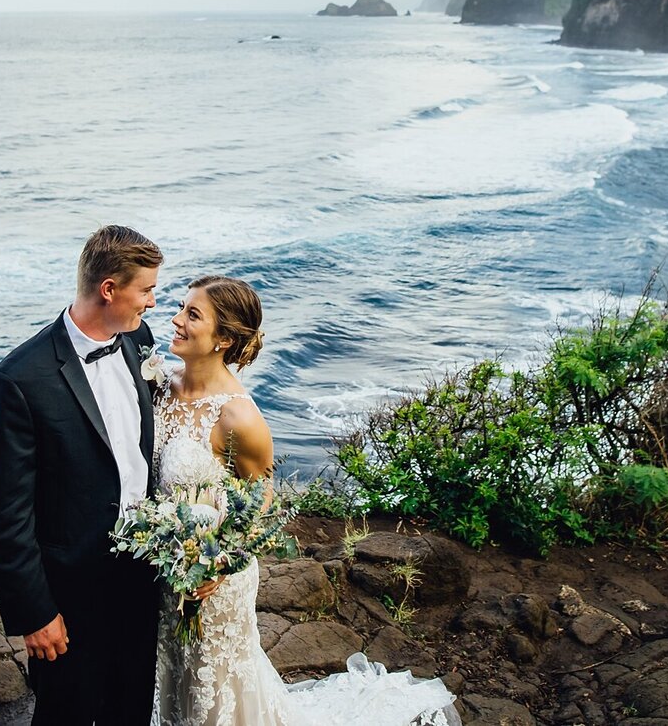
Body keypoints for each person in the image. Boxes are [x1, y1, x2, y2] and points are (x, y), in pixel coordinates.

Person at [153, 275, 460, 726]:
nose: (176, 320)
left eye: (192, 315)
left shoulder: (239, 417)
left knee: (212, 684)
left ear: (224, 339)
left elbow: (261, 505)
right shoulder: (161, 385)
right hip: (165, 566)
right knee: (170, 672)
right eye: (181, 308)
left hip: (213, 582)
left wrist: (216, 567)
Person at [0, 224, 163, 726]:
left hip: (141, 576)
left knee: (132, 706)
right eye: (145, 290)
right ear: (109, 290)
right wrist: (34, 613)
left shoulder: (136, 339)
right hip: (70, 594)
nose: (151, 303)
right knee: (67, 713)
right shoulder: (18, 382)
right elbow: (2, 515)